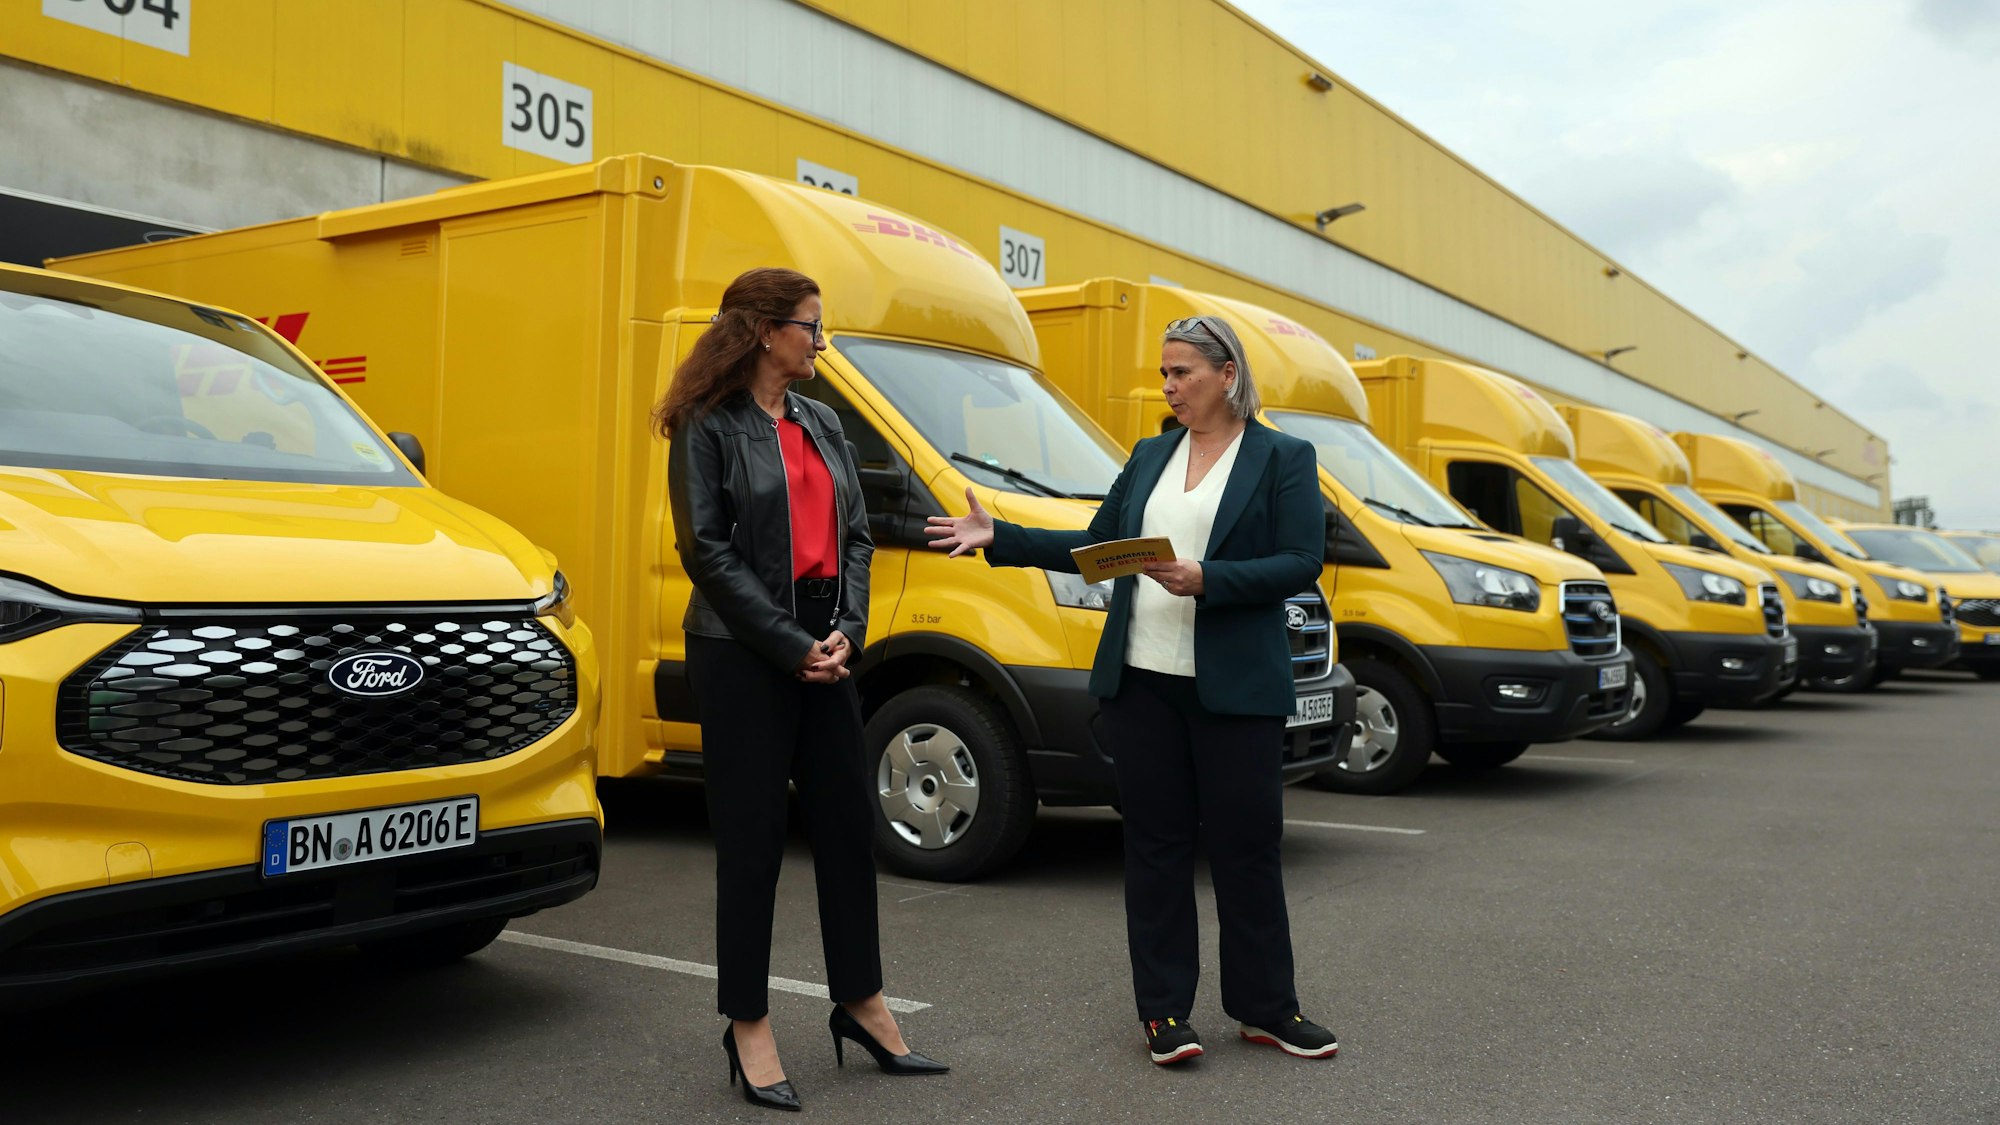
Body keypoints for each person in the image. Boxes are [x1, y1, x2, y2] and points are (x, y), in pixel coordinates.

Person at [926, 314, 1338, 1066]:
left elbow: (1301, 560)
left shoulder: (1283, 456)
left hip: (1236, 690)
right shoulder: (1151, 454)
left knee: (1247, 851)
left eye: (1182, 372)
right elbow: (1102, 550)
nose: (1169, 386)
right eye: (1165, 373)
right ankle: (1164, 1013)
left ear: (1227, 373)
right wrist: (1002, 538)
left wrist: (1209, 578)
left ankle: (1266, 1008)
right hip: (1142, 684)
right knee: (1156, 850)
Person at [660, 267, 948, 1112]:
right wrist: (789, 646)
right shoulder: (707, 424)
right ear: (764, 331)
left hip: (828, 645)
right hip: (743, 650)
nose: (822, 341)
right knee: (752, 844)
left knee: (849, 830)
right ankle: (747, 1022)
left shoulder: (820, 421)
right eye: (812, 326)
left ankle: (861, 1003)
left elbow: (856, 535)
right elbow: (705, 550)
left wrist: (847, 629)